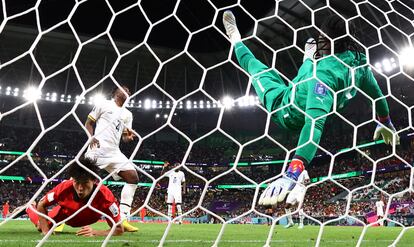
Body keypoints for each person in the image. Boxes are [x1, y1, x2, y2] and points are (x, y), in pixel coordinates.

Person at [222, 11, 399, 205]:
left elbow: (314, 125)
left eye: (321, 37)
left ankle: (236, 40)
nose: (319, 40)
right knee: (305, 74)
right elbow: (377, 93)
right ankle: (307, 58)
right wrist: (385, 120)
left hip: (285, 109)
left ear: (328, 41)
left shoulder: (322, 77)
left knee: (254, 67)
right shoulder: (360, 63)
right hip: (302, 87)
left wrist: (292, 172)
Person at [85, 85, 139, 232]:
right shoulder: (103, 104)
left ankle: (123, 219)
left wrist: (128, 138)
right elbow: (88, 123)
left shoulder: (128, 114)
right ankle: (61, 219)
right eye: (124, 89)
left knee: (133, 178)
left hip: (114, 152)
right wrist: (91, 137)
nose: (127, 92)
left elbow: (125, 137)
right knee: (79, 181)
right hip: (98, 149)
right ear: (115, 92)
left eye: (129, 91)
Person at [26, 159, 124, 236]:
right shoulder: (63, 188)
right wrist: (45, 231)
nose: (80, 188)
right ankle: (30, 207)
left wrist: (96, 232)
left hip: (89, 218)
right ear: (73, 180)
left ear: (94, 181)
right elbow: (41, 204)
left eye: (85, 183)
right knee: (40, 226)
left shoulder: (106, 197)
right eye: (77, 182)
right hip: (64, 215)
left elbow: (119, 229)